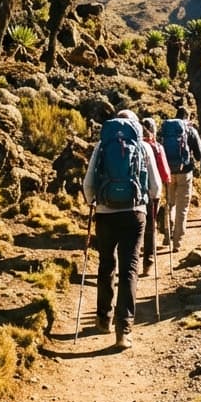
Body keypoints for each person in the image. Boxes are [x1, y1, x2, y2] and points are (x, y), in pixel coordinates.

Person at [82, 109, 161, 350]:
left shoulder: (102, 146)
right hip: (134, 214)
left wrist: (93, 202)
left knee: (106, 263)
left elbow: (88, 183)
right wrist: (148, 203)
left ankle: (103, 318)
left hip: (105, 214)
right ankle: (123, 330)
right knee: (129, 268)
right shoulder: (144, 147)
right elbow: (156, 187)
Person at [161, 105, 201, 252]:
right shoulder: (190, 130)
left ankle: (167, 234)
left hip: (168, 172)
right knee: (182, 207)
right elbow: (198, 155)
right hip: (185, 172)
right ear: (188, 116)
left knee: (170, 203)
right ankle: (177, 242)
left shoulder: (166, 130)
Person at [140, 117, 171, 276]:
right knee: (150, 226)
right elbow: (165, 173)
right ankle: (148, 259)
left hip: (132, 193)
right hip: (152, 192)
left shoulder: (133, 144)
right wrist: (165, 185)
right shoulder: (156, 146)